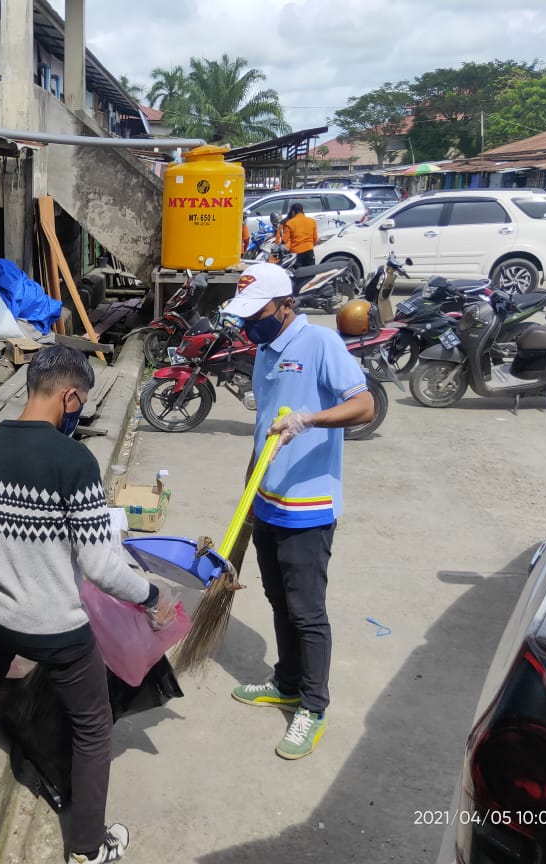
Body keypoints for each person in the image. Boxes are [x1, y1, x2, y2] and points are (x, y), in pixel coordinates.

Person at [0, 345, 170, 864]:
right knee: (93, 729)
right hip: (56, 633)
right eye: (82, 403)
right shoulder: (74, 461)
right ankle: (89, 848)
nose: (81, 413)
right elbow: (102, 568)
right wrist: (150, 593)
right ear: (70, 396)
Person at [222, 262, 374, 760]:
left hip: (308, 506)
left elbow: (364, 405)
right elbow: (266, 423)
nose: (250, 325)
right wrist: (249, 484)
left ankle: (312, 705)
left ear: (286, 305)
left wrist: (310, 420)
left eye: (258, 313)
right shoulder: (265, 350)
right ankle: (286, 682)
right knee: (277, 599)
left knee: (307, 611)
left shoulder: (323, 344)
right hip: (267, 498)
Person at [279, 202, 318, 267]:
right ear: (302, 211)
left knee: (298, 274)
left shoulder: (290, 223)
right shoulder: (312, 221)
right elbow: (315, 239)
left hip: (296, 253)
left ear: (293, 212)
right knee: (310, 273)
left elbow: (285, 240)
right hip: (309, 251)